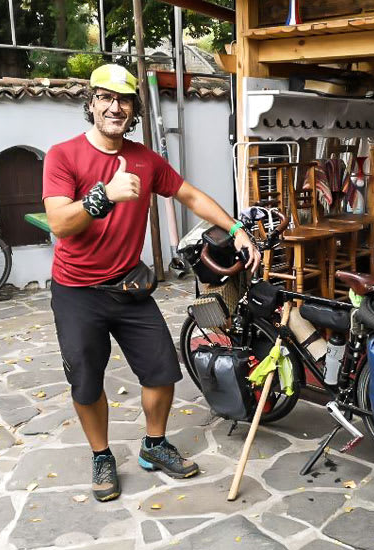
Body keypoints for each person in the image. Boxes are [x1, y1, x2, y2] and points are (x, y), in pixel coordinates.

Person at [42, 64, 260, 502]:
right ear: (91, 103)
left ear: (134, 109)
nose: (114, 106)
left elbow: (191, 196)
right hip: (77, 292)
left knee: (162, 372)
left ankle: (154, 445)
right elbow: (60, 223)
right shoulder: (63, 155)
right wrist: (104, 195)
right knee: (86, 382)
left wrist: (235, 228)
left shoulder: (145, 159)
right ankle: (101, 454)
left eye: (123, 99)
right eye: (105, 97)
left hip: (128, 288)